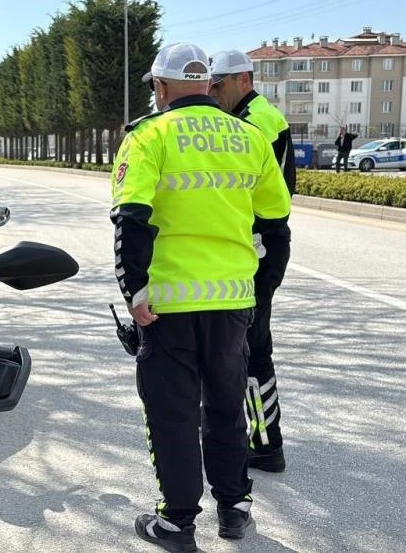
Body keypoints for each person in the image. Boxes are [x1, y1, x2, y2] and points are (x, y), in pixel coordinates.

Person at [112, 43, 291, 552]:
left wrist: (134, 291)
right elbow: (276, 226)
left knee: (172, 415)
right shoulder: (249, 136)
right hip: (232, 301)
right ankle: (235, 509)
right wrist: (259, 291)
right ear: (209, 85)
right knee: (227, 409)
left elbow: (131, 219)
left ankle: (177, 523)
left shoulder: (148, 136)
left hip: (167, 305)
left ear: (160, 86)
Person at [209, 49, 294, 473]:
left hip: (260, 245)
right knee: (246, 343)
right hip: (258, 243)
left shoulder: (255, 121)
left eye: (219, 84)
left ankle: (265, 444)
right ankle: (257, 437)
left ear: (243, 80)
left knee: (252, 347)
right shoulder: (249, 115)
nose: (213, 92)